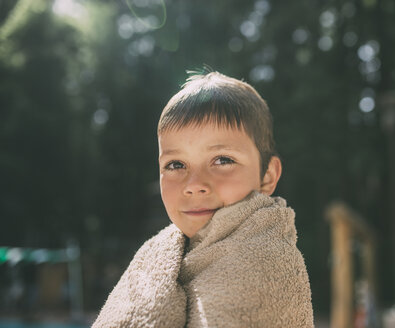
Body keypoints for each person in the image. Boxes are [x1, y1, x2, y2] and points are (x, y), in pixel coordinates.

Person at [92, 71, 314, 327]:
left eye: (222, 160)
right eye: (176, 164)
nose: (194, 185)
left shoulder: (267, 262)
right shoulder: (157, 255)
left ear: (267, 176)